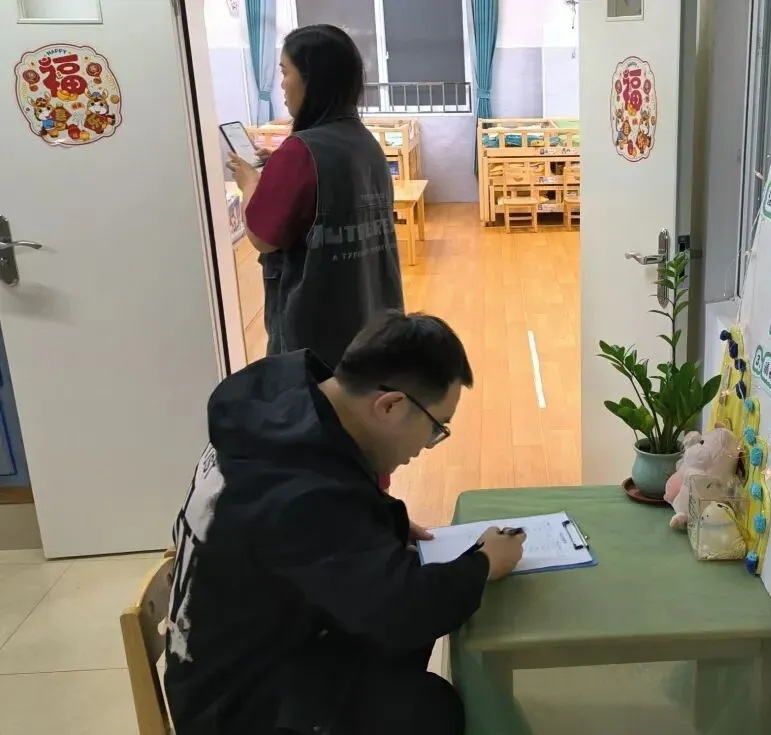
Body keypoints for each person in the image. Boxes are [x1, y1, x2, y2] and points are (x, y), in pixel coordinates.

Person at [163, 312, 526, 735]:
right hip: (234, 710)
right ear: (390, 406)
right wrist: (483, 564)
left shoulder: (277, 399)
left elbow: (302, 514)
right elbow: (402, 611)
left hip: (224, 659)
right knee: (428, 709)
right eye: (435, 428)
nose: (428, 445)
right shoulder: (308, 496)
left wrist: (370, 520)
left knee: (399, 634)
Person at [227, 24, 403, 368]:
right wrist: (280, 168)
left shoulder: (301, 151)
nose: (281, 84)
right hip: (371, 320)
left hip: (316, 338)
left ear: (312, 80)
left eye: (285, 72)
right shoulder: (364, 142)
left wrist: (250, 182)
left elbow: (263, 238)